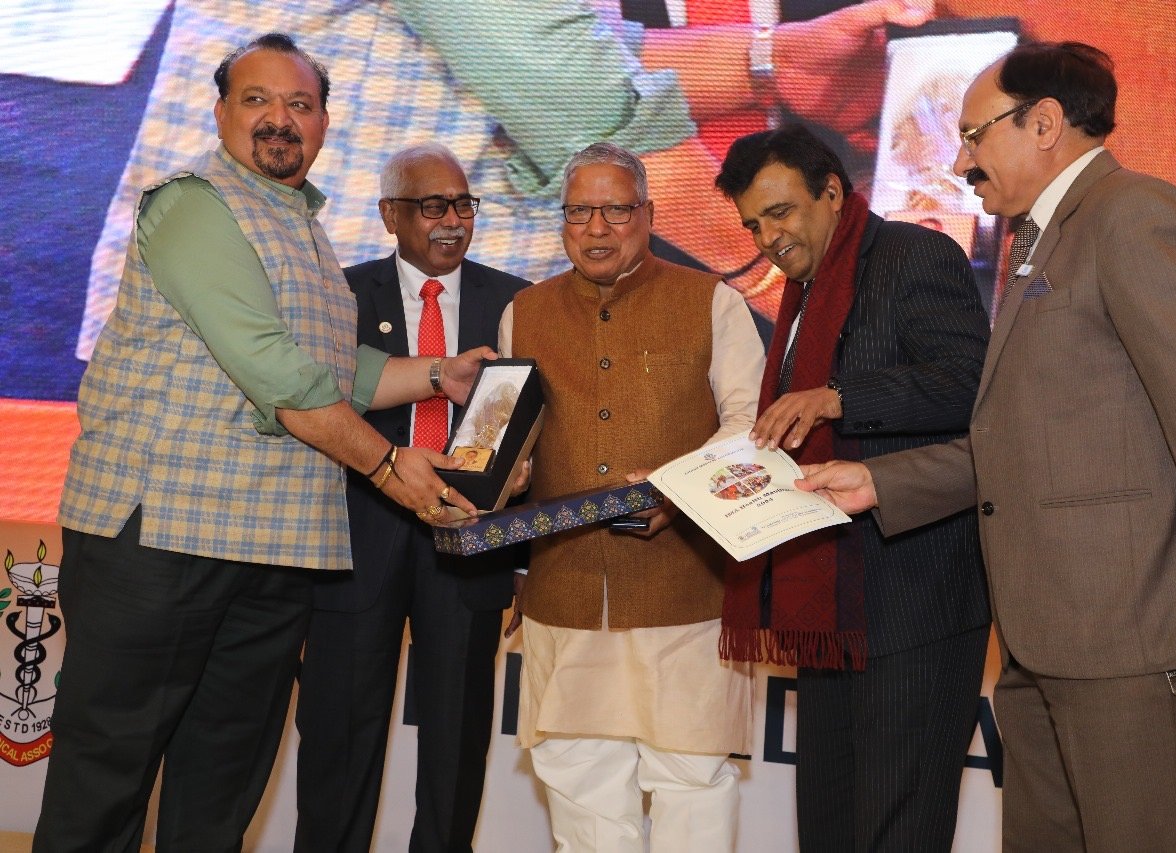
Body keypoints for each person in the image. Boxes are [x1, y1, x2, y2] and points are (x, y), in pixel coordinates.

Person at [795, 41, 1176, 852]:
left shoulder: (1135, 214)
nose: (960, 162)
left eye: (973, 135)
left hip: (1133, 641)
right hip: (1042, 643)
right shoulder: (1037, 243)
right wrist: (880, 482)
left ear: (1045, 123)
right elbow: (1026, 438)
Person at [35, 34, 483, 851]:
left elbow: (333, 367)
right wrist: (389, 465)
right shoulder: (194, 205)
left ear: (323, 124)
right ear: (219, 114)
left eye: (300, 104)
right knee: (106, 785)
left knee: (219, 795)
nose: (281, 119)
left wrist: (436, 374)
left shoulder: (304, 225)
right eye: (257, 100)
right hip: (163, 541)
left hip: (274, 549)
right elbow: (273, 366)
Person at [714, 124, 990, 851]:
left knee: (897, 830)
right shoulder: (802, 293)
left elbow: (972, 388)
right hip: (831, 602)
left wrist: (839, 397)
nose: (767, 238)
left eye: (780, 212)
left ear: (832, 192)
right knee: (828, 826)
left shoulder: (914, 255)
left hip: (914, 601)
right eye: (752, 225)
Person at [498, 142, 765, 852]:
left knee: (691, 782)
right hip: (565, 594)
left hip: (686, 593)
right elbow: (512, 440)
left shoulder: (714, 300)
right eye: (578, 212)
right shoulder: (523, 312)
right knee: (579, 786)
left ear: (648, 214)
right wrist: (502, 477)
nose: (596, 229)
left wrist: (676, 490)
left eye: (616, 210)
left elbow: (749, 427)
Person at [294, 143, 528, 852]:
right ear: (390, 214)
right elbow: (314, 405)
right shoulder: (338, 295)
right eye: (432, 206)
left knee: (457, 739)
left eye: (463, 204)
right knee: (338, 735)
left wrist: (519, 503)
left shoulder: (517, 301)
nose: (453, 220)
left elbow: (534, 427)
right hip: (355, 544)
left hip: (470, 540)